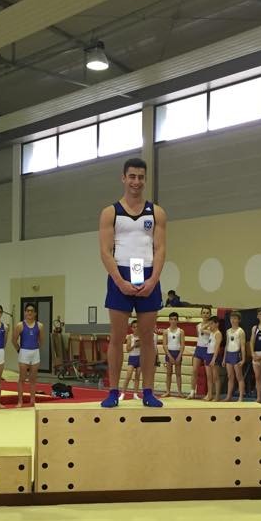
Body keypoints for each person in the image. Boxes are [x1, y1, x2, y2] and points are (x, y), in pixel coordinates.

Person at [98, 158, 167, 408]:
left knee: (148, 338)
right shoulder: (110, 212)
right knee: (117, 337)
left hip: (148, 274)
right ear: (123, 178)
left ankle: (148, 392)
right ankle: (113, 391)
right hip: (121, 273)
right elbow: (105, 252)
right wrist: (120, 282)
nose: (136, 182)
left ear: (145, 179)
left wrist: (153, 280)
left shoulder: (156, 212)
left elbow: (160, 249)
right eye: (132, 177)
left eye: (141, 177)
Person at [14, 302, 44, 407]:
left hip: (35, 352)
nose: (29, 313)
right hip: (24, 352)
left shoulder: (40, 326)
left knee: (33, 379)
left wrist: (35, 349)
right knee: (22, 378)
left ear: (35, 313)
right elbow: (14, 340)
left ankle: (32, 400)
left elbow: (41, 340)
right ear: (25, 313)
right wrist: (19, 350)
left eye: (32, 311)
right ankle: (20, 401)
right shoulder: (20, 325)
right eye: (28, 311)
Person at [188, 306, 213, 399]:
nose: (205, 314)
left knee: (208, 373)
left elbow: (211, 335)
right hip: (199, 349)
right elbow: (200, 337)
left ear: (210, 314)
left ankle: (209, 394)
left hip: (208, 350)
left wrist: (207, 325)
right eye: (204, 313)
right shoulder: (198, 325)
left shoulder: (212, 326)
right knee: (194, 370)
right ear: (201, 314)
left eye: (207, 313)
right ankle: (192, 392)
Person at [223, 311, 246, 402]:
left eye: (235, 318)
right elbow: (226, 345)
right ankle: (229, 396)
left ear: (239, 320)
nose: (233, 320)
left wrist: (243, 359)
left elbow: (243, 346)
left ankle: (240, 397)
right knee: (230, 376)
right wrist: (224, 358)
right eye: (232, 318)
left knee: (239, 376)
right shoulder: (228, 331)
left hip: (236, 354)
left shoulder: (240, 331)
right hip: (229, 354)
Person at [162, 311, 184, 398]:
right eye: (171, 319)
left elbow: (182, 344)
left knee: (178, 374)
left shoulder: (181, 331)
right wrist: (169, 355)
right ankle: (168, 391)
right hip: (169, 353)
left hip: (177, 352)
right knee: (168, 373)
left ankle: (179, 392)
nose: (173, 321)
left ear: (177, 320)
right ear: (169, 320)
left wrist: (179, 355)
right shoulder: (165, 331)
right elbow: (164, 345)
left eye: (175, 319)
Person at [121, 319, 142, 399]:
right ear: (132, 328)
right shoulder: (130, 337)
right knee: (128, 376)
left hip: (140, 357)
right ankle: (122, 393)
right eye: (134, 327)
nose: (136, 328)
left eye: (137, 327)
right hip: (132, 358)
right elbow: (127, 349)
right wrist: (134, 345)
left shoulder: (142, 336)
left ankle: (135, 394)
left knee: (137, 376)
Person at [204, 315, 222, 402]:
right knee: (209, 377)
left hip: (214, 356)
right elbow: (201, 329)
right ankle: (210, 394)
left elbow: (217, 347)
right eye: (209, 324)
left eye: (212, 324)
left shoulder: (218, 334)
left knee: (216, 377)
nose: (209, 325)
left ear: (217, 324)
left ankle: (217, 396)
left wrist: (214, 359)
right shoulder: (211, 332)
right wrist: (208, 324)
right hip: (208, 354)